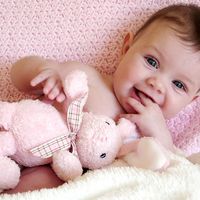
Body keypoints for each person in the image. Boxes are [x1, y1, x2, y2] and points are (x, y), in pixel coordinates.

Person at [5, 3, 200, 194]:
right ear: (126, 48)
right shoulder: (87, 79)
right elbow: (17, 75)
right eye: (151, 61)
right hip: (42, 165)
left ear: (191, 100)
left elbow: (172, 173)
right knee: (42, 182)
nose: (157, 84)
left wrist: (159, 134)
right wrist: (43, 72)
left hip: (101, 190)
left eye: (179, 85)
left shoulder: (156, 133)